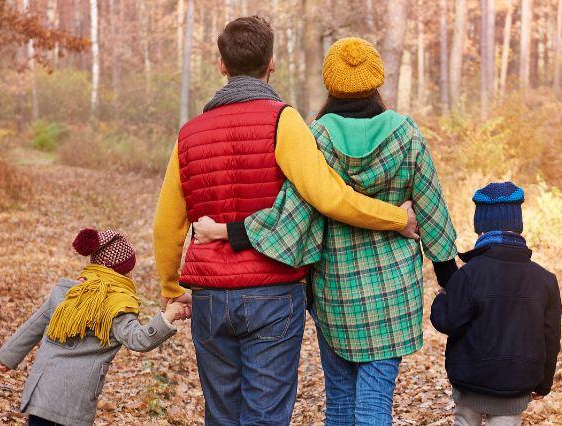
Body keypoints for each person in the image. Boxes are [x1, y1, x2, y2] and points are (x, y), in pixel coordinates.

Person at [152, 18, 419, 426]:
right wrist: (395, 217)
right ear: (271, 63)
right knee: (266, 417)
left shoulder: (189, 133)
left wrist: (173, 289)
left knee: (221, 416)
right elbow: (328, 196)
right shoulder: (283, 121)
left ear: (221, 64)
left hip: (209, 295)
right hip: (273, 293)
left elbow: (166, 224)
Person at [0, 228, 187, 426]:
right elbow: (139, 340)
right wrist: (168, 316)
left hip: (43, 388)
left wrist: (7, 357)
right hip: (76, 397)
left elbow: (34, 325)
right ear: (124, 271)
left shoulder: (67, 292)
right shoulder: (117, 304)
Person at [430, 182, 562, 426]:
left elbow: (447, 320)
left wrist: (441, 297)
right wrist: (544, 383)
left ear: (480, 228)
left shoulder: (469, 274)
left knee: (464, 422)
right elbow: (551, 337)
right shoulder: (545, 280)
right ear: (518, 226)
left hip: (470, 380)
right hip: (516, 383)